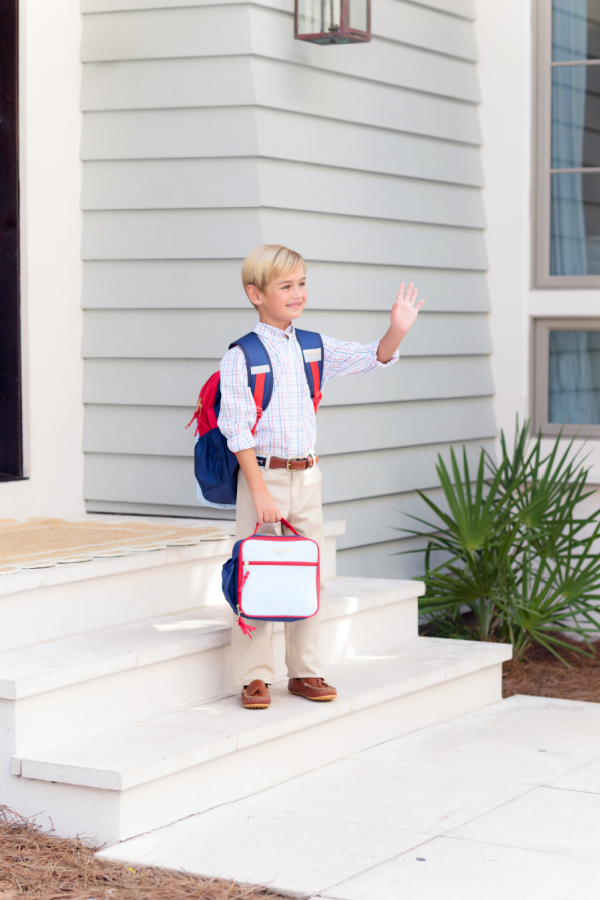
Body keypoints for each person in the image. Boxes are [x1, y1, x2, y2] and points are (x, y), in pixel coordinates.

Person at [218, 245, 423, 709]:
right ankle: (254, 676)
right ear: (256, 294)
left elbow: (373, 356)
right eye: (285, 286)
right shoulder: (241, 356)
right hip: (263, 477)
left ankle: (304, 671)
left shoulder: (314, 346)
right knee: (258, 573)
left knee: (308, 576)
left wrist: (397, 329)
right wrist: (257, 490)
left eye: (302, 283)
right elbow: (235, 430)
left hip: (307, 478)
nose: (298, 293)